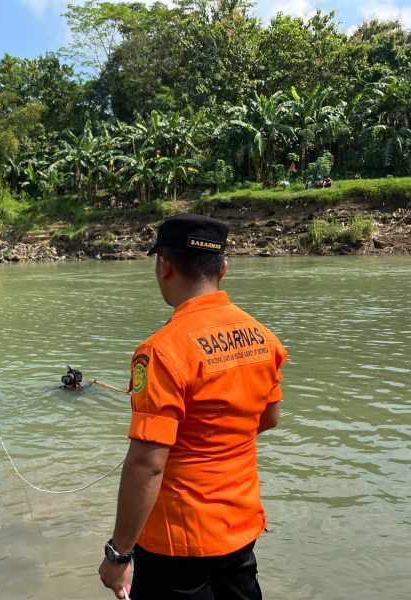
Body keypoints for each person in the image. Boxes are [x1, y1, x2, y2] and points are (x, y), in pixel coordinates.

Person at [98, 214, 288, 600]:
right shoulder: (263, 337)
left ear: (164, 265)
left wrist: (118, 555)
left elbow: (147, 463)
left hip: (177, 545)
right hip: (239, 529)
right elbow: (267, 418)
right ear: (224, 268)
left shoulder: (161, 351)